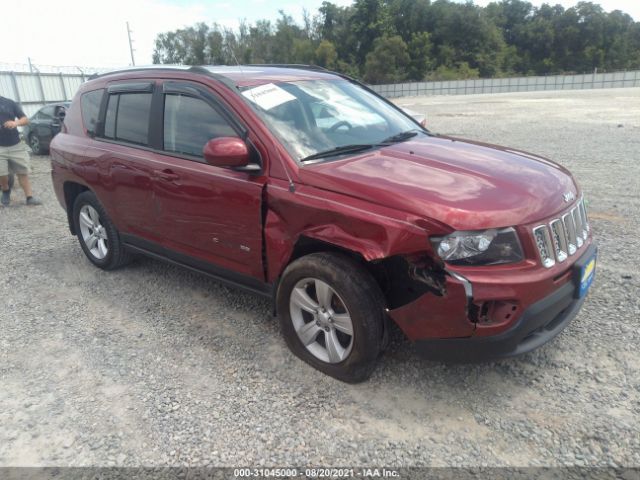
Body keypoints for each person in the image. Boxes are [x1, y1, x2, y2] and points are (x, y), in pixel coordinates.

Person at [0, 95, 42, 206]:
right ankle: (5, 190)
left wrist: (15, 123)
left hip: (15, 144)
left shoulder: (9, 103)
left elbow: (25, 119)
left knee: (22, 172)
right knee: (2, 173)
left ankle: (29, 197)